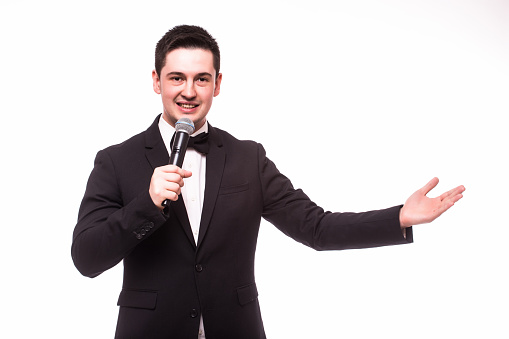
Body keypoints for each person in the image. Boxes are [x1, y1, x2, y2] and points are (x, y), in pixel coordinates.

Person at [71, 25, 465, 339]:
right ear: (157, 81)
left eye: (201, 79)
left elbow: (317, 228)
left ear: (218, 84)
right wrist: (147, 202)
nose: (189, 92)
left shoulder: (248, 157)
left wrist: (399, 217)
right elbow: (86, 258)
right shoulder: (115, 161)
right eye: (177, 78)